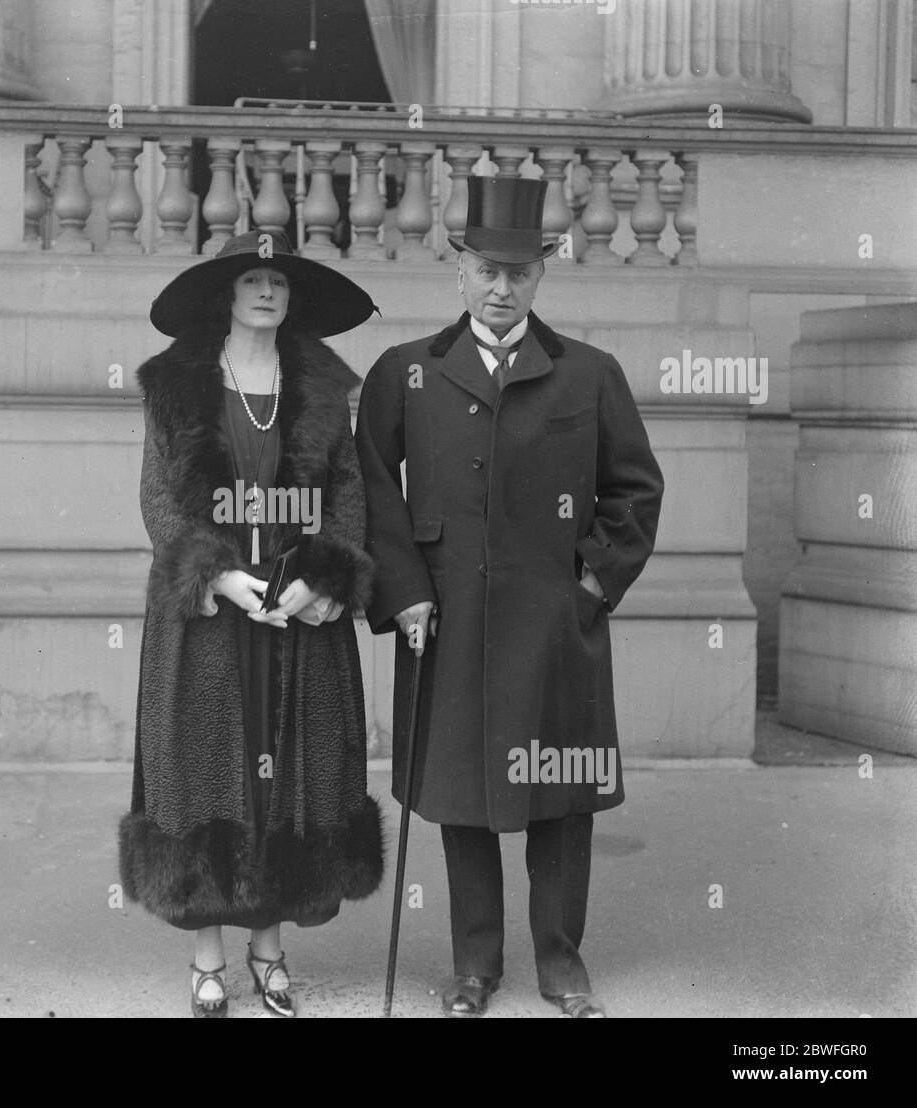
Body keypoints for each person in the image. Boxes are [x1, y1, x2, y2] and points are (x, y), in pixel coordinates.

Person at [356, 178, 664, 1018]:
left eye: (519, 274)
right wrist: (407, 594)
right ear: (459, 268)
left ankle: (562, 963)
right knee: (462, 794)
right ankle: (474, 967)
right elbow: (371, 489)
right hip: (446, 622)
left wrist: (593, 585)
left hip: (555, 625)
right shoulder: (407, 373)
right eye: (488, 269)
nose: (501, 289)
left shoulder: (589, 375)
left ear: (541, 277)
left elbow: (634, 492)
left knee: (562, 795)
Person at [119, 231, 383, 1018]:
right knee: (208, 770)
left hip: (298, 617)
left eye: (279, 280)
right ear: (227, 295)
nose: (267, 291)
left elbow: (346, 495)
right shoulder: (176, 387)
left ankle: (269, 950)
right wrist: (223, 577)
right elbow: (160, 498)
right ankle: (208, 957)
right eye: (252, 280)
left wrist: (318, 580)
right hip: (209, 621)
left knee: (287, 769)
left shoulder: (330, 393)